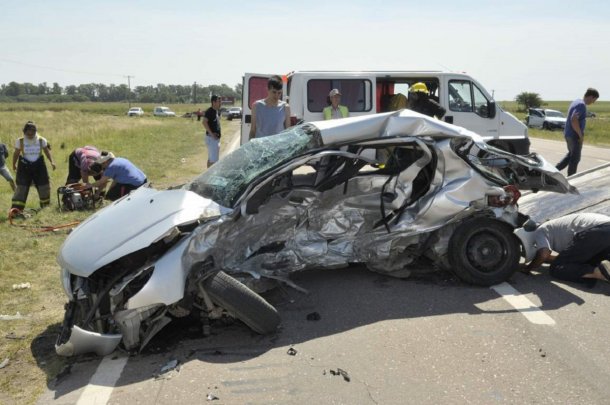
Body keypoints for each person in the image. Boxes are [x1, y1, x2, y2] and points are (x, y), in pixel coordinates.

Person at [521, 213, 610, 284]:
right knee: (590, 260)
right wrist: (547, 259)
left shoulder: (540, 230)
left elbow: (543, 254)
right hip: (604, 228)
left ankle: (598, 272)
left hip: (596, 232)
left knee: (557, 268)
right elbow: (566, 256)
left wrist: (528, 268)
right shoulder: (557, 225)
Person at [11, 121, 56, 210]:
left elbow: (47, 151)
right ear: (24, 132)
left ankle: (45, 206)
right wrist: (14, 164)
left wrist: (52, 162)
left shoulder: (41, 140)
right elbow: (16, 153)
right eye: (28, 133)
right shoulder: (20, 141)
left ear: (35, 132)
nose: (30, 135)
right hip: (24, 166)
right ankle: (16, 209)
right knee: (21, 187)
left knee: (44, 185)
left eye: (32, 133)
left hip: (39, 165)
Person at [556, 88, 599, 176]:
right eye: (594, 100)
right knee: (575, 159)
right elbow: (574, 119)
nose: (593, 102)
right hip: (574, 136)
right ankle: (571, 179)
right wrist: (580, 135)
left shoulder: (576, 101)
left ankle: (552, 172)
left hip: (568, 134)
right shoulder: (581, 105)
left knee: (570, 156)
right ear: (591, 97)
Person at [249, 75, 291, 139]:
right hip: (261, 146)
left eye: (279, 93)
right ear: (268, 90)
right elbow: (252, 131)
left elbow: (288, 132)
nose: (276, 96)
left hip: (277, 146)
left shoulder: (285, 107)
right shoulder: (256, 106)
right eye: (274, 92)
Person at [202, 95, 221, 168]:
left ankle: (208, 176)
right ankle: (210, 177)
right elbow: (204, 122)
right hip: (211, 139)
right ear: (213, 102)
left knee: (211, 159)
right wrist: (212, 134)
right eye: (219, 101)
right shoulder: (210, 111)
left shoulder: (216, 111)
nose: (220, 103)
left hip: (215, 139)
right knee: (213, 161)